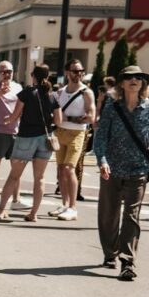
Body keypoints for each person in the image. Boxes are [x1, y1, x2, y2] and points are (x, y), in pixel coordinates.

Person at [92, 65, 149, 281]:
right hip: (113, 169)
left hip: (138, 170)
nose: (133, 80)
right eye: (128, 77)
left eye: (138, 77)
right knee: (109, 215)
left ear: (143, 83)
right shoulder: (112, 107)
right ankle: (110, 253)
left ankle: (127, 261)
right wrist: (102, 160)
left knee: (131, 215)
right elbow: (100, 137)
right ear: (122, 83)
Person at [0, 64, 57, 222]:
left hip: (26, 138)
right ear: (48, 76)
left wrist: (8, 119)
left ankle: (1, 211)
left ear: (33, 76)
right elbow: (59, 120)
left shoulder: (27, 93)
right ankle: (33, 214)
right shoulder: (52, 95)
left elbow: (15, 115)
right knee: (40, 178)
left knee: (14, 176)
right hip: (45, 139)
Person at [51, 59, 95, 221]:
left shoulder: (86, 92)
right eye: (75, 71)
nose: (79, 74)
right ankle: (64, 204)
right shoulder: (61, 92)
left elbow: (91, 117)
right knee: (60, 170)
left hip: (77, 134)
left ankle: (73, 207)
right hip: (60, 132)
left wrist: (69, 118)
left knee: (70, 168)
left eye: (81, 71)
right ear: (68, 72)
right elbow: (54, 114)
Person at [0, 60, 26, 209]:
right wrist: (1, 91)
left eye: (9, 71)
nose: (7, 74)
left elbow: (22, 106)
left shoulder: (18, 87)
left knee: (16, 167)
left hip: (15, 132)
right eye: (3, 72)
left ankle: (16, 200)